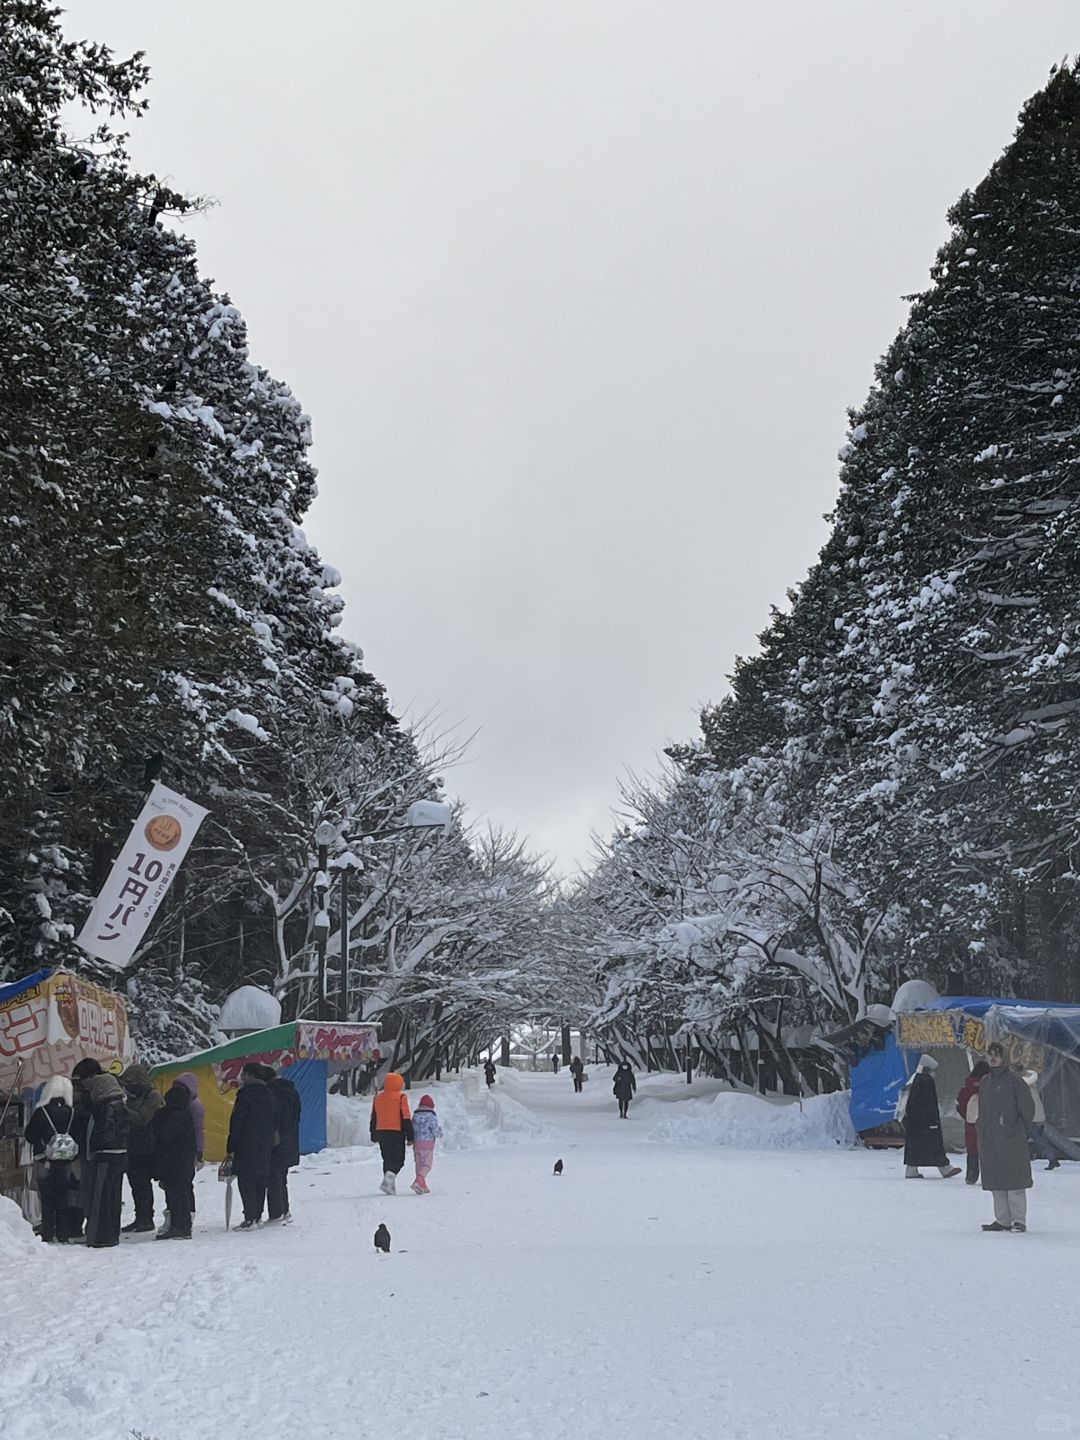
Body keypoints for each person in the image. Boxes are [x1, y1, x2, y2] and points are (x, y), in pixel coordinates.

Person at [977, 1042, 1035, 1232]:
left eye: (997, 1055)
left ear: (1005, 1058)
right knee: (996, 1180)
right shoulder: (985, 1081)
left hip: (1011, 1139)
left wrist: (1015, 1129)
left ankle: (1019, 1220)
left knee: (1015, 1181)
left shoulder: (1014, 1080)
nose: (992, 1058)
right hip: (991, 1139)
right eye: (990, 1054)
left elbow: (1027, 1109)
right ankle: (1002, 1219)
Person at [25, 1077, 77, 1244]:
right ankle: (63, 1232)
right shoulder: (72, 1112)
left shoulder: (42, 1112)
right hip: (66, 1161)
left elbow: (30, 1136)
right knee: (63, 1196)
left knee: (46, 1197)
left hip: (44, 1160)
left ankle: (48, 1232)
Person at [226, 1062, 277, 1230]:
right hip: (265, 1144)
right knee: (261, 1179)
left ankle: (249, 1217)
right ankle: (257, 1216)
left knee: (246, 1180)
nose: (241, 1078)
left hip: (246, 1144)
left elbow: (237, 1122)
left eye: (243, 1074)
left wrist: (231, 1146)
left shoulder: (245, 1096)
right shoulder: (269, 1095)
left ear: (249, 1075)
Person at [84, 1071, 131, 1248]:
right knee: (114, 1195)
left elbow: (102, 1133)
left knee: (101, 1196)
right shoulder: (122, 1104)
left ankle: (100, 1237)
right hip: (121, 1154)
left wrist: (94, 1148)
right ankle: (113, 1233)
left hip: (106, 1155)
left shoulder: (104, 1107)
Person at [900, 1055, 961, 1179]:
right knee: (934, 1146)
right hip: (927, 1122)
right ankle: (945, 1168)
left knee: (915, 1147)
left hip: (916, 1122)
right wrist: (933, 1120)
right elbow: (929, 1103)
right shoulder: (926, 1081)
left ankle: (912, 1170)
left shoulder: (916, 1079)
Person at [120, 1063, 164, 1233]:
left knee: (142, 1184)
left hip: (147, 1147)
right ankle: (140, 1217)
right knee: (136, 1185)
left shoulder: (153, 1097)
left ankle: (146, 1218)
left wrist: (123, 1111)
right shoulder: (134, 1097)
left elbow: (143, 1118)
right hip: (133, 1146)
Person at [151, 1081, 196, 1240]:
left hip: (170, 1160)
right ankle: (181, 1226)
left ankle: (180, 1227)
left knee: (175, 1195)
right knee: (180, 1193)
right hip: (183, 1161)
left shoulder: (169, 1116)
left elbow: (162, 1136)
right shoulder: (186, 1115)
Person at [265, 1066, 302, 1224]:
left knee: (273, 1176)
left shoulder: (271, 1094)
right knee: (282, 1176)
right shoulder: (291, 1091)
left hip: (276, 1139)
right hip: (290, 1138)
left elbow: (271, 1118)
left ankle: (277, 1212)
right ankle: (284, 1210)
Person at [71, 1056, 103, 1233]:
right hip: (86, 1149)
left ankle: (93, 1226)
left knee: (90, 1191)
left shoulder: (96, 1099)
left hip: (90, 1150)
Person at [369, 1072, 413, 1195]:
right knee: (399, 1159)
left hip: (381, 1131)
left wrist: (373, 1133)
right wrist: (410, 1136)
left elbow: (374, 1117)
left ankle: (389, 1185)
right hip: (396, 1132)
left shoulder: (377, 1098)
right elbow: (405, 1117)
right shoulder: (401, 1098)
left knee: (387, 1158)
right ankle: (390, 1178)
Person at [1022, 1069, 1070, 1171]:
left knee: (1032, 1139)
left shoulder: (1024, 1087)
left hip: (1029, 1117)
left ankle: (1052, 1159)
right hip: (1032, 1117)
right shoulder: (1030, 1087)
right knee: (1036, 1138)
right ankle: (1052, 1159)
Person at [956, 1060, 991, 1185]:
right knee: (988, 1148)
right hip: (987, 1122)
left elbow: (960, 1104)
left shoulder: (967, 1086)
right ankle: (989, 1176)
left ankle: (971, 1175)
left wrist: (966, 1116)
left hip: (971, 1123)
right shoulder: (990, 1085)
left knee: (972, 1148)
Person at [410, 1093, 443, 1194]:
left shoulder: (415, 1116)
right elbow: (434, 1130)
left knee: (419, 1165)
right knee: (427, 1165)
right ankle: (419, 1180)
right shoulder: (431, 1116)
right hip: (427, 1144)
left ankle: (421, 1184)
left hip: (417, 1144)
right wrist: (440, 1133)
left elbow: (412, 1129)